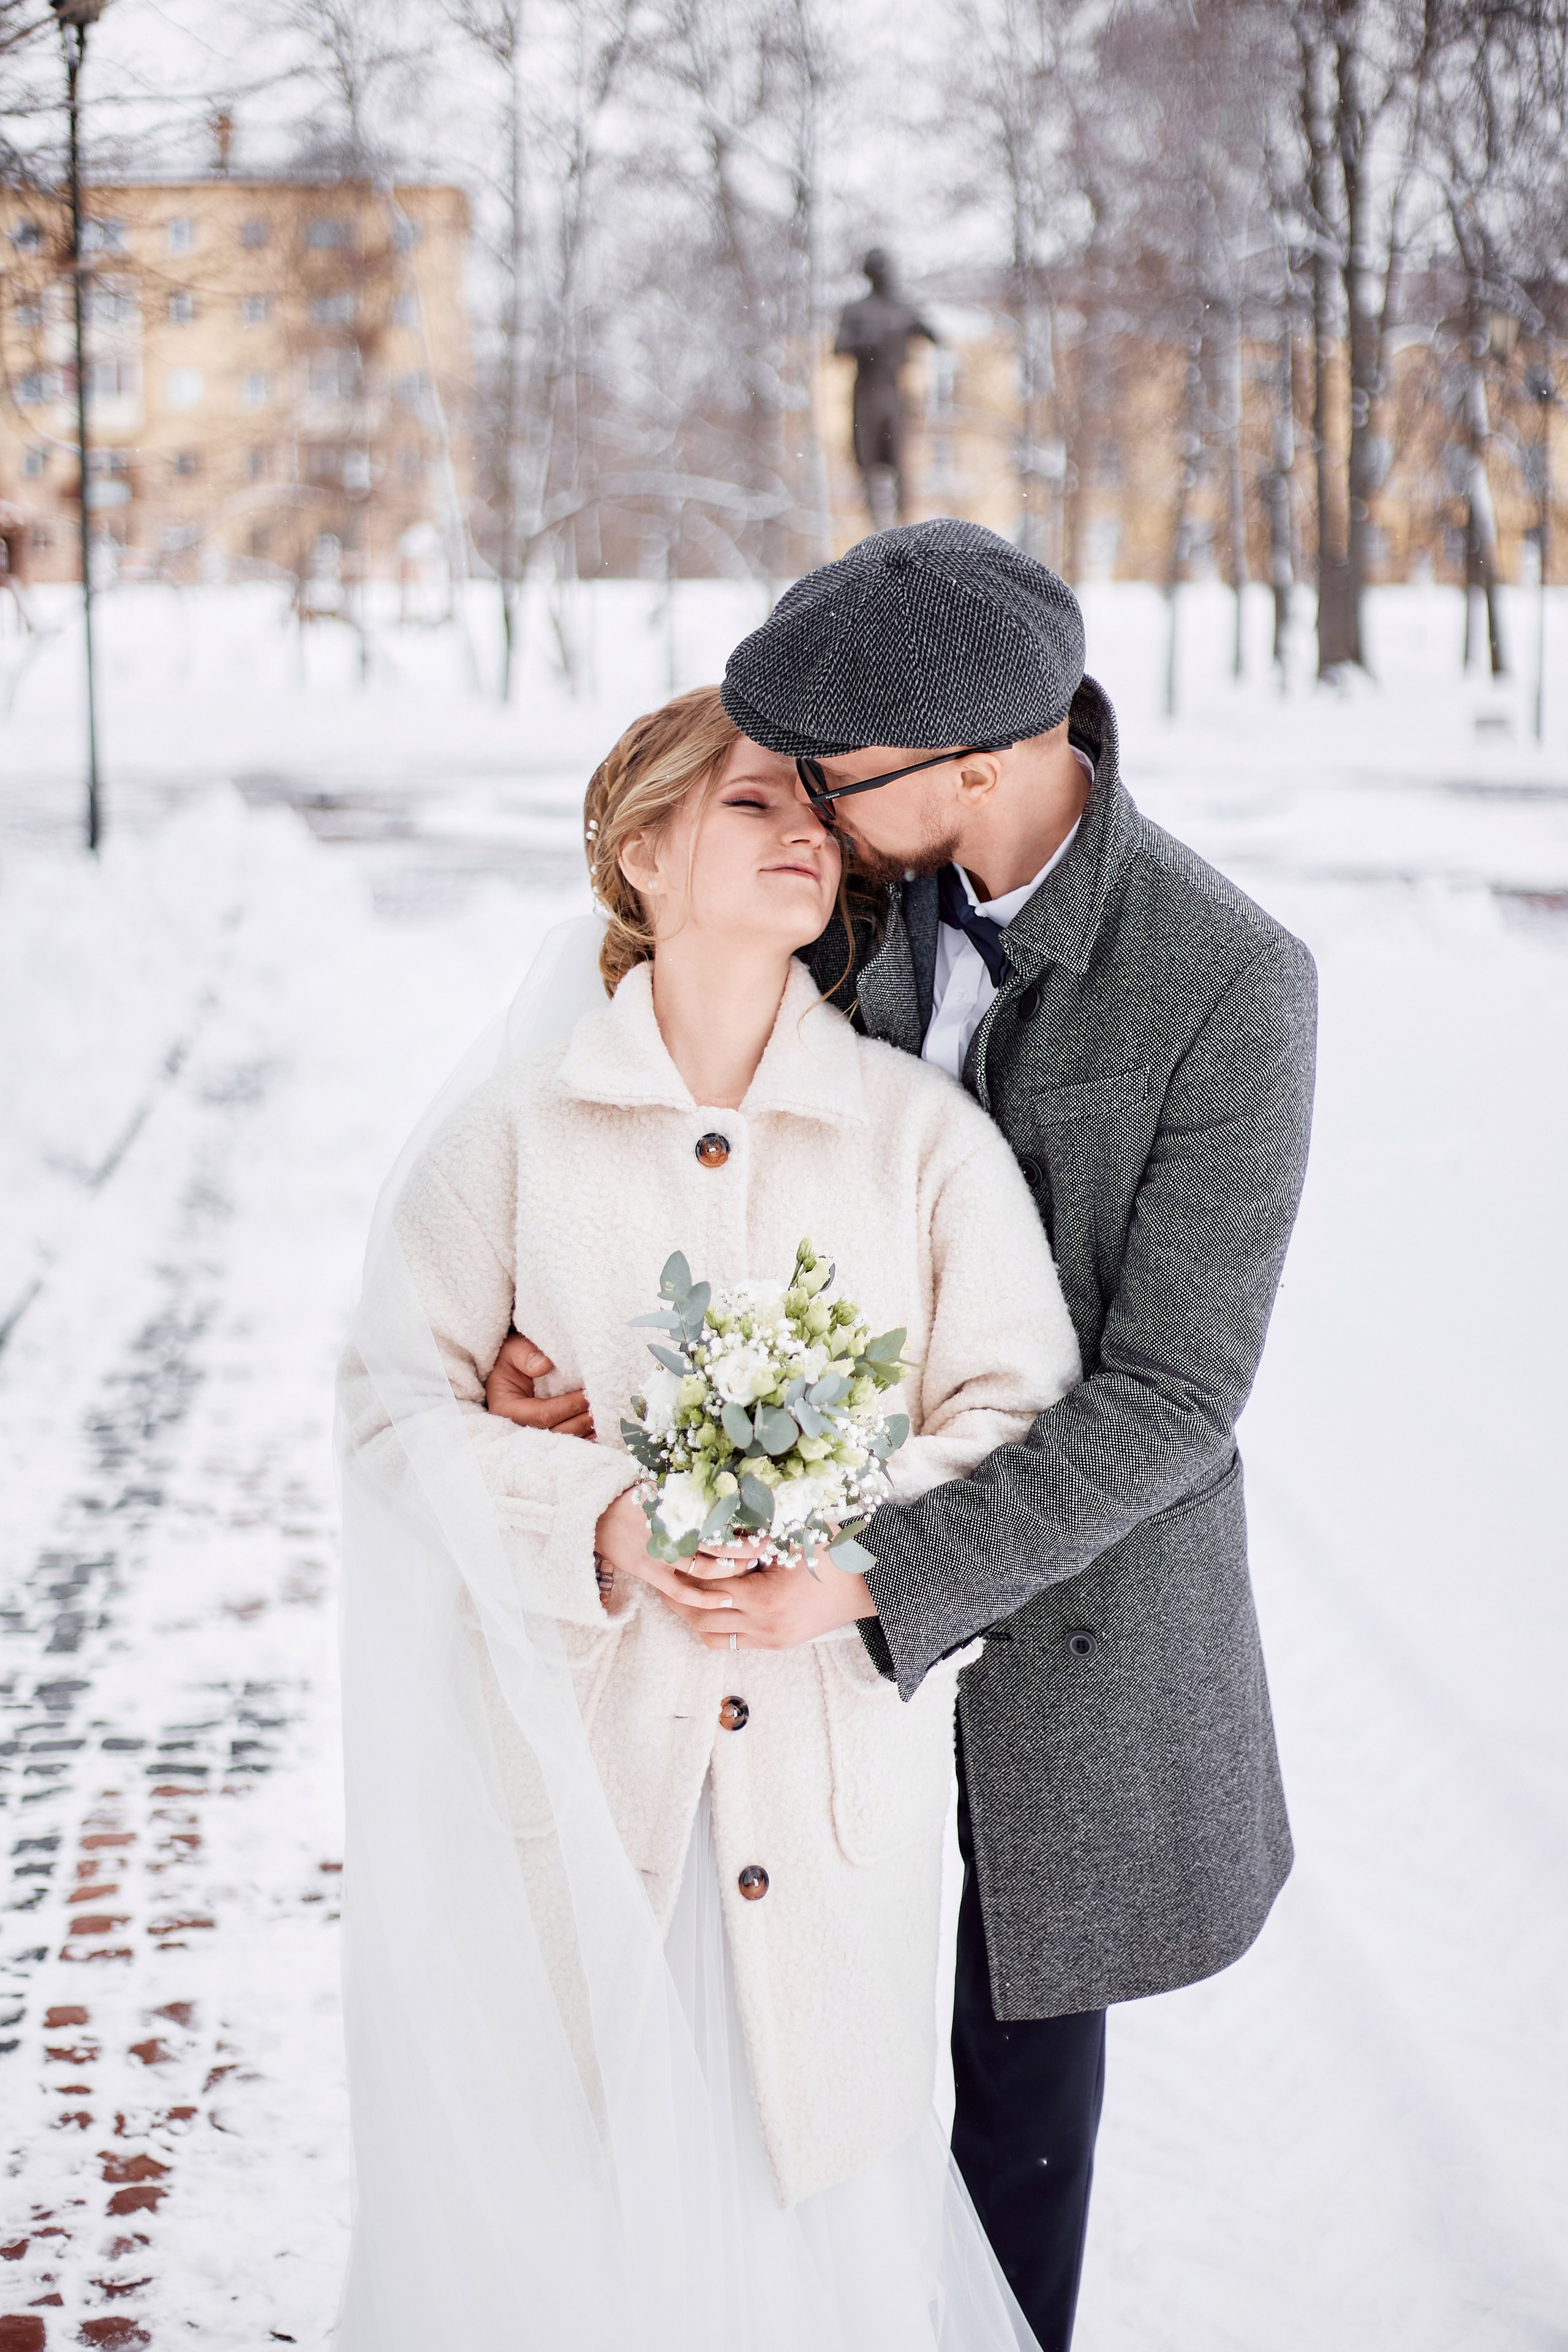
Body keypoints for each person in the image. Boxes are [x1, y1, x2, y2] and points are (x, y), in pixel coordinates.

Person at [488, 518, 1319, 2350]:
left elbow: (1177, 1391)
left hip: (1048, 1628)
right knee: (774, 2078)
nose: (800, 803)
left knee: (1011, 2113)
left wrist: (880, 1581)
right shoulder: (845, 885)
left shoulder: (1227, 983)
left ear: (981, 760)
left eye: (838, 776)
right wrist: (571, 1365)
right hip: (762, 1625)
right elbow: (684, 1147)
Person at [336, 682, 1082, 2350]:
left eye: (821, 810)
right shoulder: (512, 1140)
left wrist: (850, 1544)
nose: (807, 833)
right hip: (588, 1803)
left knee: (810, 2232)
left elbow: (1018, 1417)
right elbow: (386, 1413)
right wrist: (602, 1514)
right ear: (642, 851)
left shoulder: (922, 1141)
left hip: (830, 1816)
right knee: (589, 2233)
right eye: (754, 805)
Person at [834, 247, 940, 527]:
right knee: (867, 460)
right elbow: (839, 348)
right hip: (866, 392)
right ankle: (875, 530)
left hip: (896, 392)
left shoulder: (903, 307)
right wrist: (865, 341)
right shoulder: (856, 310)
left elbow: (933, 336)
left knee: (900, 461)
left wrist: (913, 324)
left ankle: (905, 529)